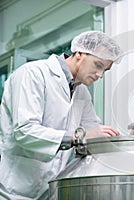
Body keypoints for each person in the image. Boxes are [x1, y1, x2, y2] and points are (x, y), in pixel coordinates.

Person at [0, 31, 122, 200]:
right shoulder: (33, 73)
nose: (100, 75)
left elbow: (92, 134)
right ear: (80, 53)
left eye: (105, 70)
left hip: (51, 190)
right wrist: (76, 137)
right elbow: (24, 131)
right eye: (98, 65)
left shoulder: (82, 92)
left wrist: (127, 138)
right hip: (13, 191)